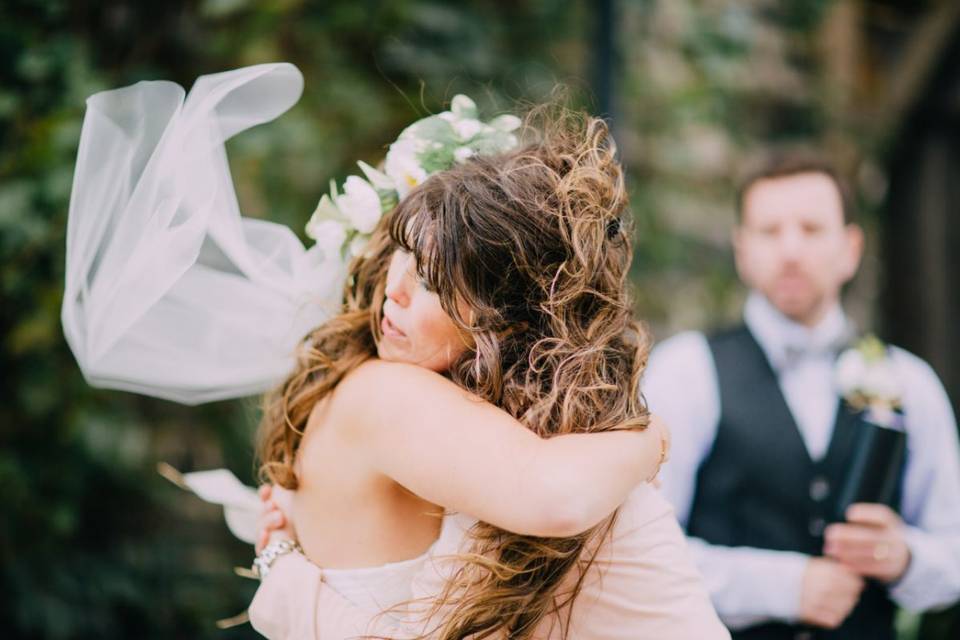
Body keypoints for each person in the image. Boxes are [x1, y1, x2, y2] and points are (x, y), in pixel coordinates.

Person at [246, 107, 729, 639]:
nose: (395, 288)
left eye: (431, 280)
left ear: (504, 322)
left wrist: (284, 583)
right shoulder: (395, 393)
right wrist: (653, 440)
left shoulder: (534, 450)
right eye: (402, 252)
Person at [643, 153, 960, 639]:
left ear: (851, 248)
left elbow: (953, 555)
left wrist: (904, 557)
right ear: (741, 250)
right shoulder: (684, 370)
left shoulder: (910, 382)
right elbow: (644, 550)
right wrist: (783, 585)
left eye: (811, 229)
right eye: (769, 231)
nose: (790, 250)